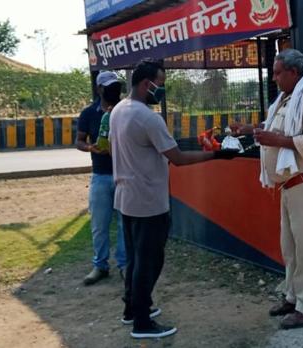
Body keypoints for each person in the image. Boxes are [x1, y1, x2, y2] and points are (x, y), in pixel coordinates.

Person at [108, 59, 236, 339]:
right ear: (146, 84)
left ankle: (133, 308)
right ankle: (142, 322)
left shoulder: (119, 110)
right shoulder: (147, 117)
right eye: (161, 85)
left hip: (126, 198)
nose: (162, 91)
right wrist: (216, 155)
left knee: (136, 259)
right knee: (149, 261)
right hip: (148, 201)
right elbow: (176, 158)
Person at [241, 49, 303, 330]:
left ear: (294, 73)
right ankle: (293, 297)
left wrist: (278, 140)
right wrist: (252, 129)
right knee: (290, 248)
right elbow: (277, 129)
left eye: (278, 72)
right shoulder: (286, 100)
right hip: (291, 185)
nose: (274, 77)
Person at [76, 71, 127, 286]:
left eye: (116, 86)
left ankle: (125, 265)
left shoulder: (126, 111)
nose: (114, 90)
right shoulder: (89, 114)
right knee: (99, 224)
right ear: (99, 89)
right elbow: (79, 141)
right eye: (109, 87)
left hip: (124, 175)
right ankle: (100, 265)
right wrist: (91, 148)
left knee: (126, 224)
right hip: (100, 176)